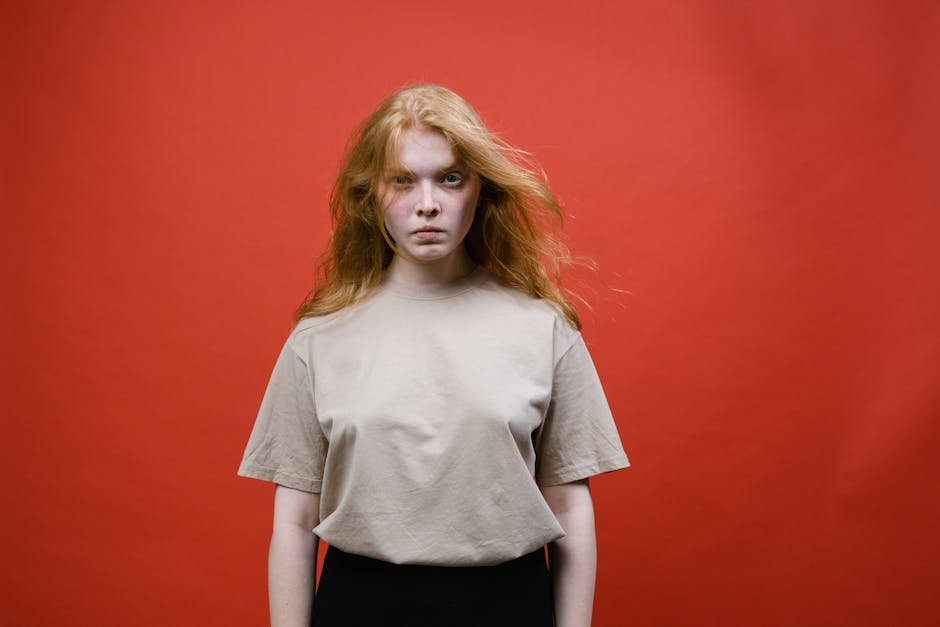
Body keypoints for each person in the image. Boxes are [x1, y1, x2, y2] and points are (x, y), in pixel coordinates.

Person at [237, 83, 630, 627]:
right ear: (371, 195)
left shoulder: (543, 329)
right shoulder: (319, 338)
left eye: (450, 178)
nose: (427, 204)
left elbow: (570, 508)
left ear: (480, 190)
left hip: (507, 604)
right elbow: (294, 520)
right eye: (402, 180)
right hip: (360, 606)